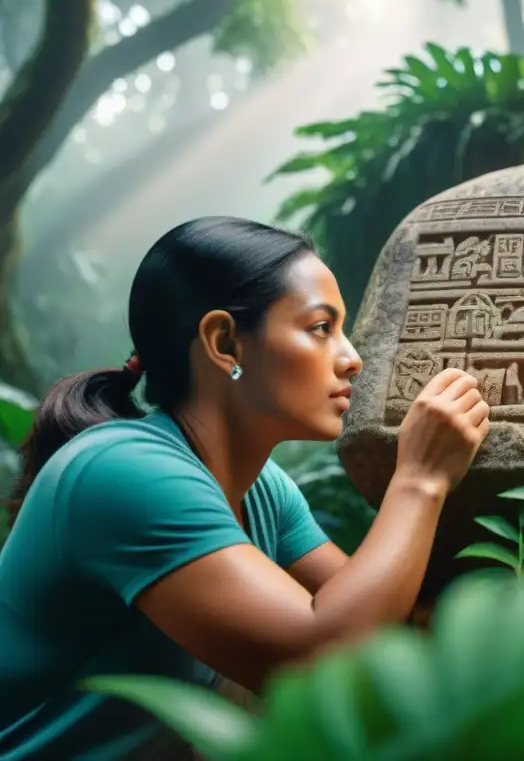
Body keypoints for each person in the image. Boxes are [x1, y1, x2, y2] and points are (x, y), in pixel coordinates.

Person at [0, 216, 490, 760]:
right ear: (225, 342)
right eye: (321, 328)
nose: (352, 358)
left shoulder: (262, 490)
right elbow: (320, 659)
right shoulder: (123, 470)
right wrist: (420, 479)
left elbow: (384, 620)